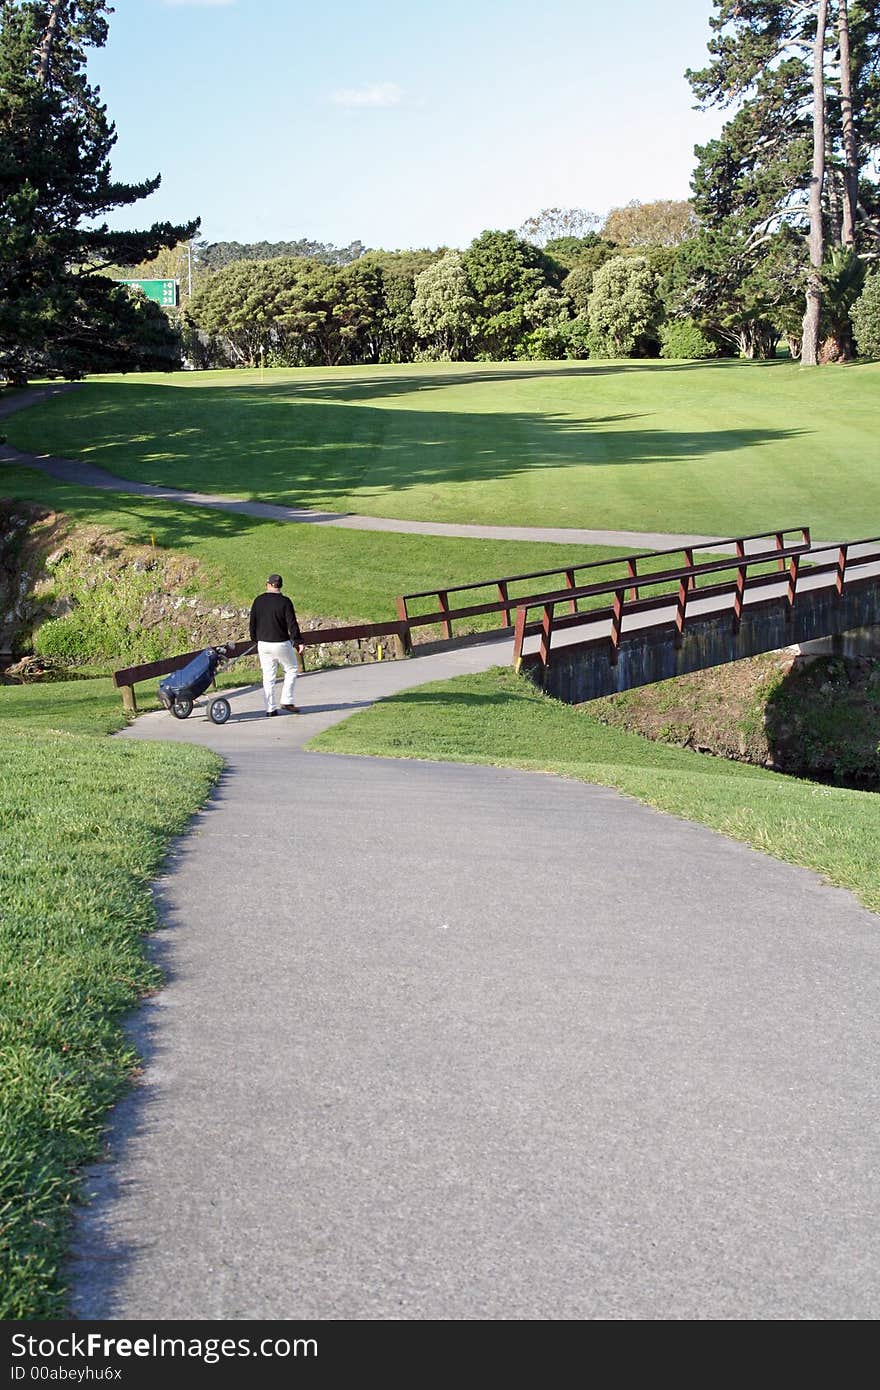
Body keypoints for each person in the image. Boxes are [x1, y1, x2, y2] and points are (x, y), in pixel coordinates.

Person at [249, 573, 305, 716]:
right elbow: (292, 624)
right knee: (291, 669)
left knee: (268, 677)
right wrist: (298, 642)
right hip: (280, 643)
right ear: (280, 585)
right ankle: (286, 700)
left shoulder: (258, 601)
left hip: (263, 644)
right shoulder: (285, 602)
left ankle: (270, 709)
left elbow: (252, 623)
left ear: (268, 584)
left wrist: (255, 639)